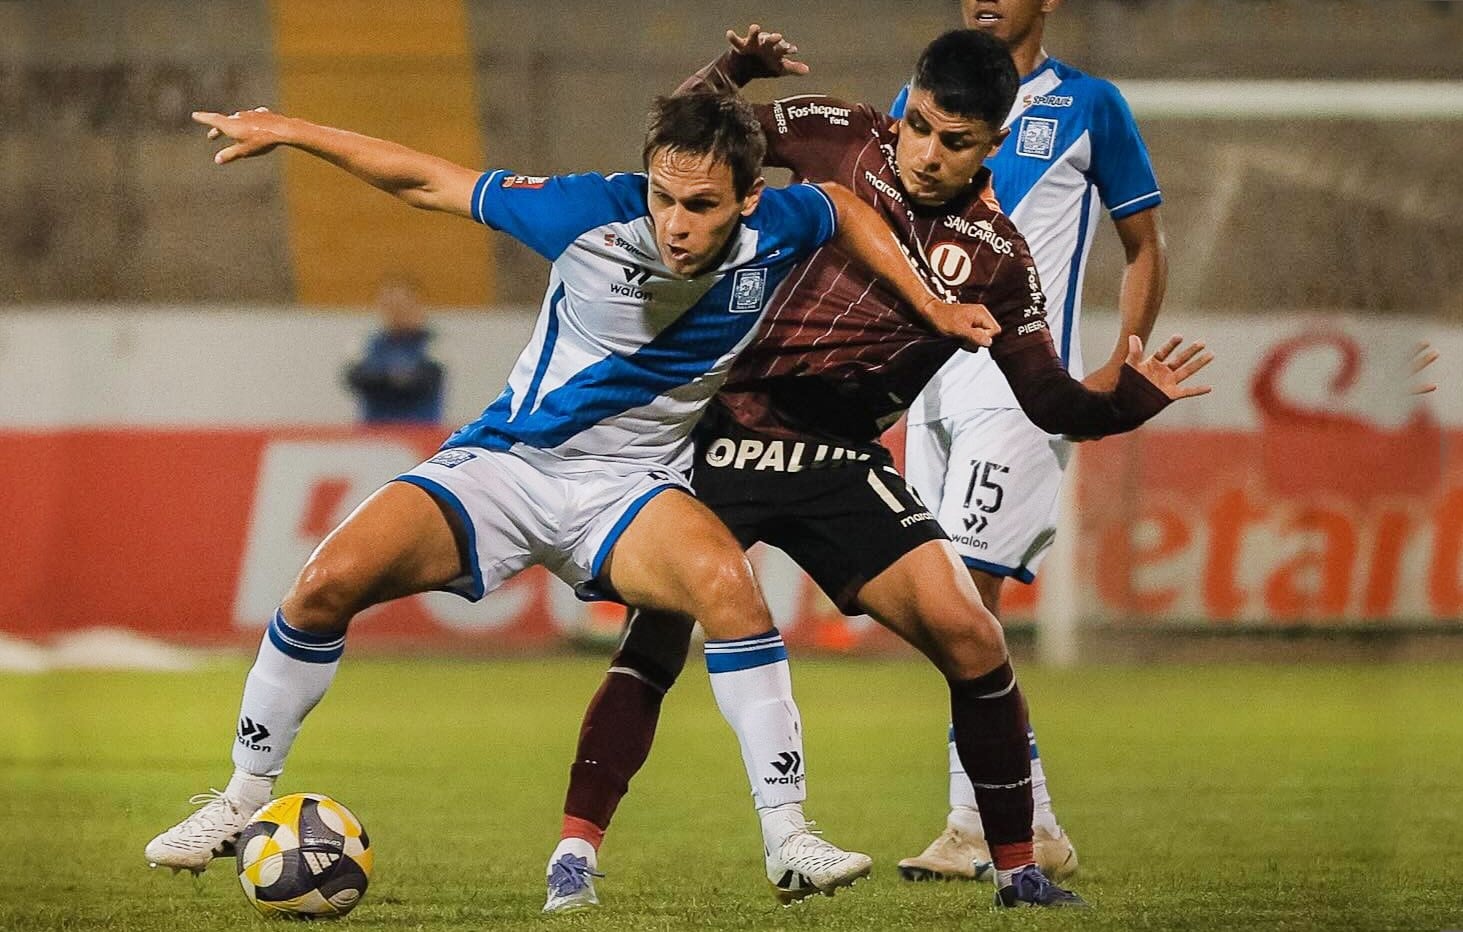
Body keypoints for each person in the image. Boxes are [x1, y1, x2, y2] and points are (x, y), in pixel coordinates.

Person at [143, 92, 1007, 905]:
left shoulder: (780, 227)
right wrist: (293, 130)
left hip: (628, 487)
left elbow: (841, 208)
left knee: (729, 590)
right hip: (506, 466)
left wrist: (928, 304)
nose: (675, 222)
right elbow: (422, 180)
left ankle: (788, 836)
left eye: (700, 205)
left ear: (749, 200)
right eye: (664, 197)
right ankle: (240, 797)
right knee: (323, 583)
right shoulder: (583, 210)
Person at [540, 27, 1210, 913]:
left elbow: (1048, 400)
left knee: (972, 637)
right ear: (907, 106)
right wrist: (735, 68)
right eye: (922, 127)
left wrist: (1129, 399)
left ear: (993, 144)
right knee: (655, 639)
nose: (929, 154)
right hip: (723, 432)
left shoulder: (998, 259)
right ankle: (574, 859)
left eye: (956, 141)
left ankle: (1017, 872)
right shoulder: (837, 134)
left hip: (838, 460)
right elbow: (688, 139)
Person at [891, 0, 1170, 884]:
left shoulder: (1089, 105)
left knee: (961, 605)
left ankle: (979, 826)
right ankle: (1028, 820)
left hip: (1020, 389)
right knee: (945, 612)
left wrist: (1121, 364)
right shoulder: (925, 98)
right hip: (927, 385)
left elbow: (1143, 245)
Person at [344, 276, 445, 425]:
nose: (395, 313)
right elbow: (355, 378)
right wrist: (394, 378)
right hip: (375, 431)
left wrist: (381, 379)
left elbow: (423, 382)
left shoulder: (433, 344)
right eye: (389, 306)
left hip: (419, 432)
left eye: (401, 306)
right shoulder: (368, 344)